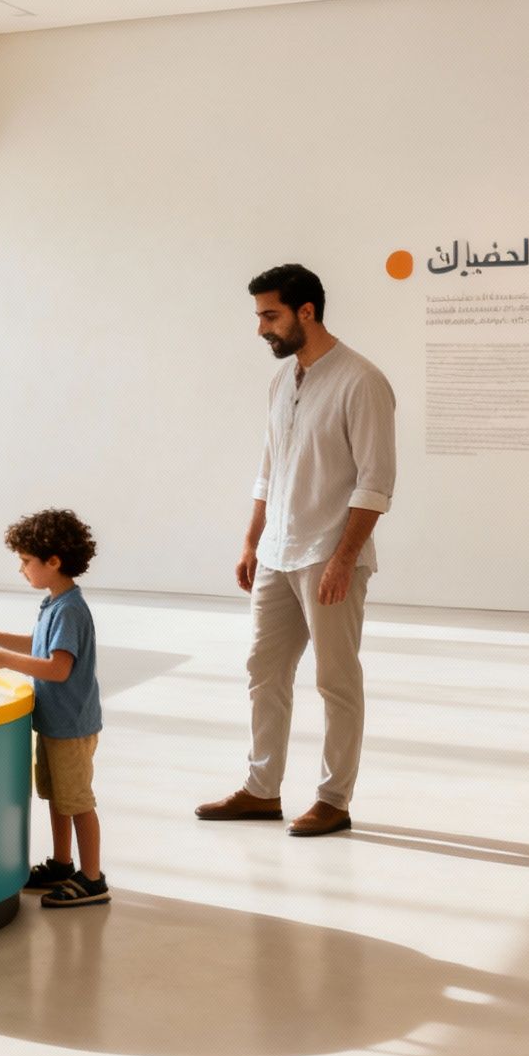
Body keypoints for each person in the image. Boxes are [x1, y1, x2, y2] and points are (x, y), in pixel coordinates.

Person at [195, 263, 396, 837]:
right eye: (260, 315)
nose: (261, 328)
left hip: (330, 559)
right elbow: (269, 470)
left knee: (336, 681)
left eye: (270, 315)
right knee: (263, 671)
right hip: (277, 554)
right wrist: (251, 542)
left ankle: (334, 799)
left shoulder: (362, 381)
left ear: (306, 312)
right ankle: (261, 790)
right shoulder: (282, 381)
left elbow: (375, 483)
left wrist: (342, 560)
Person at [0, 508, 108, 908]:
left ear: (53, 562)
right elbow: (40, 644)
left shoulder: (70, 609)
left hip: (72, 726)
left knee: (77, 801)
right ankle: (63, 864)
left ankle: (93, 878)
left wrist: (1, 659)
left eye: (26, 562)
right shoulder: (54, 602)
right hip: (55, 723)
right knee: (57, 797)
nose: (21, 570)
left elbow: (58, 668)